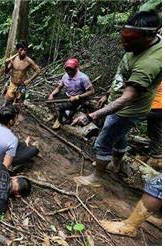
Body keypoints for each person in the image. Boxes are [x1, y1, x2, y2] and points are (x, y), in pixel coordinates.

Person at [72, 11, 162, 187]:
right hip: (118, 102)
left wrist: (91, 116)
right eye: (123, 38)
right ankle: (116, 163)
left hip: (127, 109)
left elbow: (127, 98)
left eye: (130, 41)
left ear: (148, 36)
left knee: (104, 139)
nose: (124, 43)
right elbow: (122, 75)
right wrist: (107, 93)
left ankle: (97, 177)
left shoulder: (150, 62)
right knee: (118, 136)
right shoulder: (137, 44)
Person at [0, 105, 38, 171]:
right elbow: (5, 166)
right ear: (11, 121)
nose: (16, 120)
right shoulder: (12, 139)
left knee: (18, 144)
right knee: (34, 150)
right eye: (15, 118)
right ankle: (25, 147)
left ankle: (25, 144)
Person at [48, 58, 95, 129]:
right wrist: (52, 95)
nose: (69, 71)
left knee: (61, 107)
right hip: (67, 96)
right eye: (67, 69)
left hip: (78, 100)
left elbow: (91, 91)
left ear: (76, 68)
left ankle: (59, 121)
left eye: (71, 69)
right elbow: (59, 88)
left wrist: (77, 97)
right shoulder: (65, 76)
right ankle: (55, 115)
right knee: (48, 100)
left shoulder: (83, 78)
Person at [4, 41, 41, 106]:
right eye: (21, 50)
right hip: (12, 84)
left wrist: (29, 80)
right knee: (7, 104)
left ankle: (17, 115)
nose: (23, 52)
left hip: (21, 86)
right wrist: (6, 65)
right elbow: (6, 72)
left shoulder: (28, 61)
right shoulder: (13, 59)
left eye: (25, 50)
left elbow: (38, 70)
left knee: (19, 106)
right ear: (17, 50)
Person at [146, 82, 162, 169]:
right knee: (155, 132)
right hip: (158, 106)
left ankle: (156, 160)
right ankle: (155, 156)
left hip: (155, 106)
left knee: (156, 132)